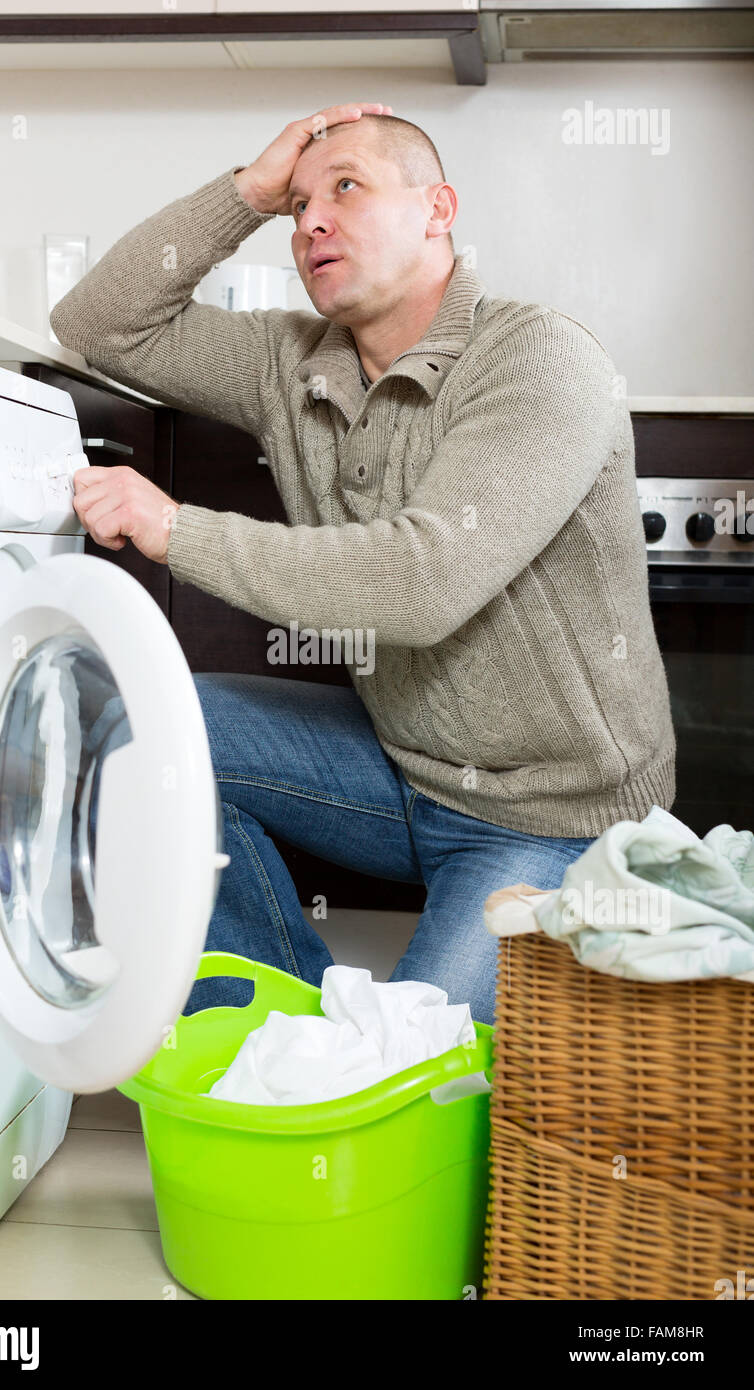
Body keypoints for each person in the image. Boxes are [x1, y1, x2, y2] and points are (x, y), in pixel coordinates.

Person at [51, 103, 676, 1023]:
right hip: (402, 767)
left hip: (555, 818)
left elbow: (422, 584)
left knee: (418, 1087)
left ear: (438, 210)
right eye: (296, 204)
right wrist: (245, 193)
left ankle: (342, 1077)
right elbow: (96, 325)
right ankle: (272, 1039)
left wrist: (176, 528)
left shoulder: (539, 358)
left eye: (347, 187)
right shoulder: (291, 362)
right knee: (142, 725)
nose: (311, 221)